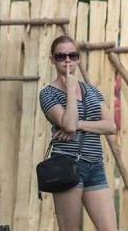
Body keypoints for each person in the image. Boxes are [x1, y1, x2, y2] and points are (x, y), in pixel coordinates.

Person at [39, 36, 118, 231]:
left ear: (78, 58)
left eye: (72, 55)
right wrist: (70, 88)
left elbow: (110, 126)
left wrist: (80, 124)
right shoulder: (48, 93)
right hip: (67, 164)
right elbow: (68, 124)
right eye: (61, 56)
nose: (68, 60)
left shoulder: (92, 90)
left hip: (95, 166)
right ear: (52, 59)